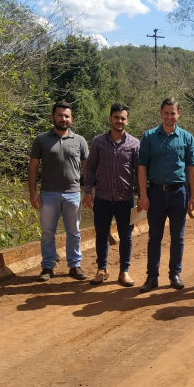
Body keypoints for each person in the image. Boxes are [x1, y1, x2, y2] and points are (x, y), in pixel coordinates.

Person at [137, 97, 194, 292]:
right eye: (166, 113)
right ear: (160, 113)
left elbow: (192, 168)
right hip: (155, 192)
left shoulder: (187, 138)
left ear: (178, 114)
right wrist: (143, 195)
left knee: (177, 237)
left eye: (173, 113)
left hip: (178, 193)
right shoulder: (148, 137)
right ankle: (152, 277)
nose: (169, 116)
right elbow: (142, 167)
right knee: (154, 237)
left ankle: (174, 274)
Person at [28, 101, 89, 282]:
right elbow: (33, 168)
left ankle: (74, 265)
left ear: (71, 118)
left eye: (67, 116)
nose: (64, 119)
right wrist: (32, 192)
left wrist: (89, 191)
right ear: (52, 117)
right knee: (48, 232)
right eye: (60, 115)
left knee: (74, 231)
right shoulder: (41, 140)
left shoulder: (80, 141)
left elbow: (88, 169)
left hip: (73, 193)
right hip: (48, 193)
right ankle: (47, 267)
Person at [83, 103, 140, 287]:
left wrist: (142, 197)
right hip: (102, 198)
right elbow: (91, 167)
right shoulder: (98, 141)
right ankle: (102, 269)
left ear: (127, 121)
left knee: (126, 236)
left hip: (126, 199)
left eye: (123, 118)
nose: (119, 121)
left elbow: (139, 172)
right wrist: (88, 192)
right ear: (110, 119)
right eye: (116, 117)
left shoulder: (134, 143)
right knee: (101, 235)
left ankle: (124, 271)